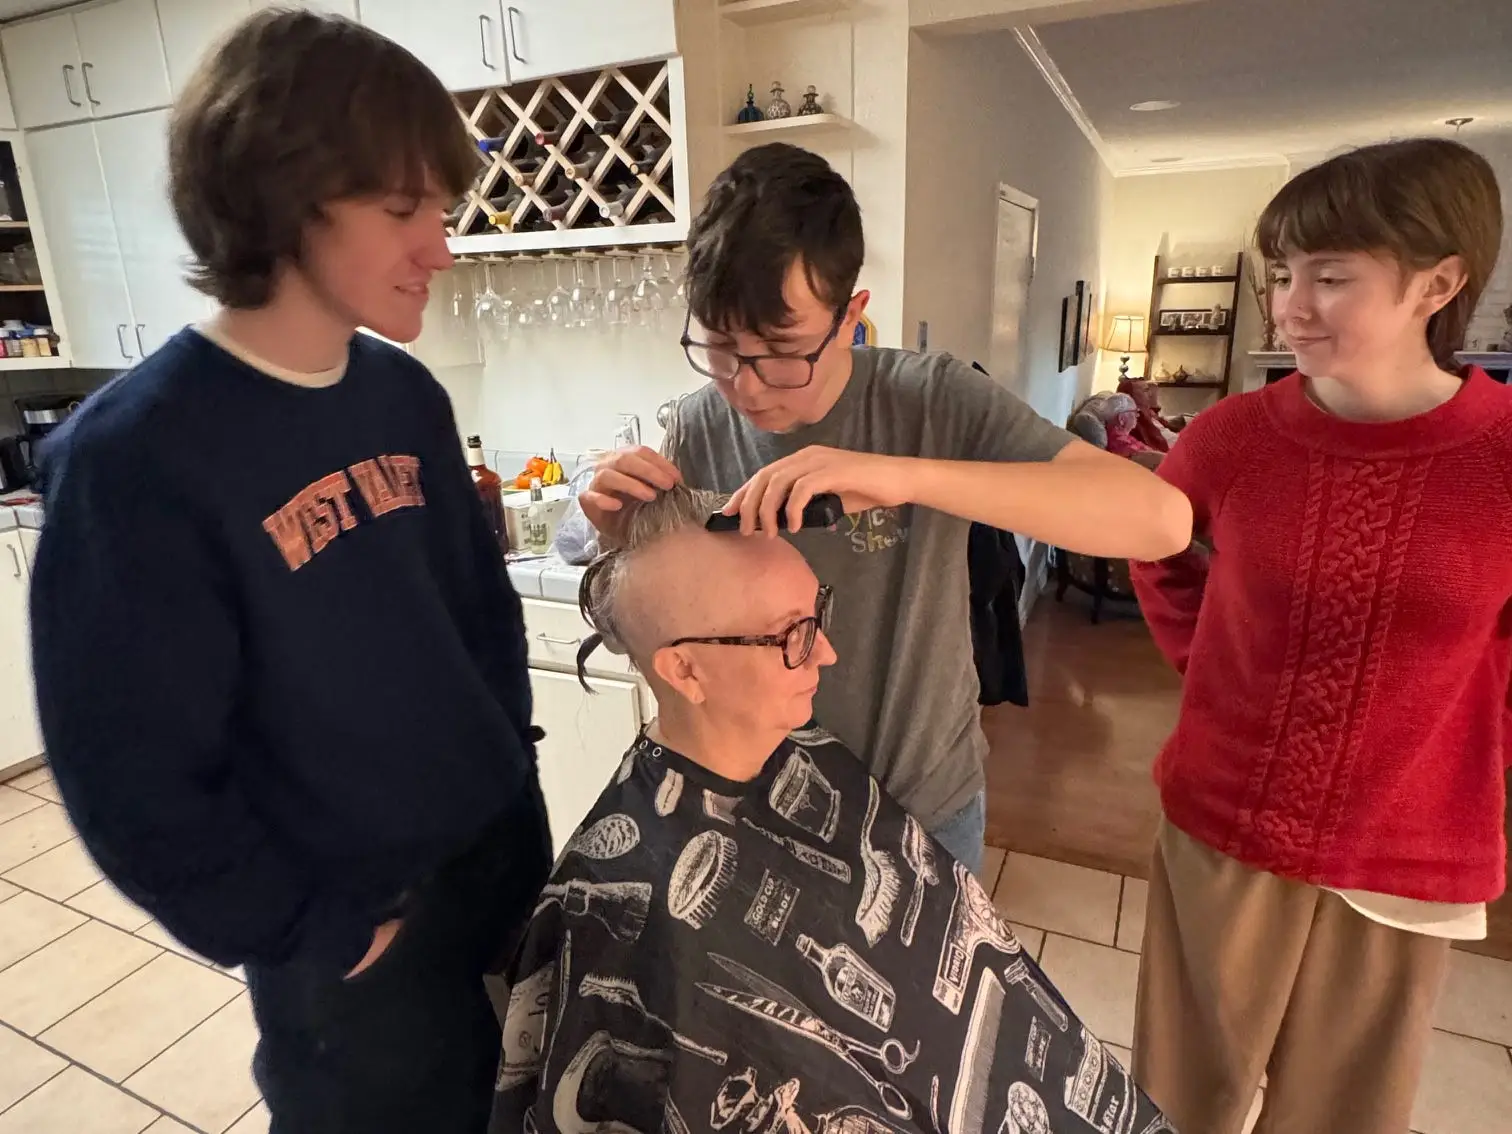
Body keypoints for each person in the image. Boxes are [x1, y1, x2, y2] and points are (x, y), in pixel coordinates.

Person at [28, 11, 549, 1133]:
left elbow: (479, 616)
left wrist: (513, 773)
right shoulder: (135, 462)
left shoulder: (405, 397)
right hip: (355, 940)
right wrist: (317, 933)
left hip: (500, 868)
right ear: (280, 190)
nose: (442, 247)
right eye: (404, 209)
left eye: (441, 210)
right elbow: (135, 787)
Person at [578, 143, 1193, 875]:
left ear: (851, 316)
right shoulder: (695, 425)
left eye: (781, 350)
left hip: (921, 807)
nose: (746, 386)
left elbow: (1161, 521)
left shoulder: (930, 400)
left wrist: (906, 477)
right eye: (717, 348)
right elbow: (666, 629)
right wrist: (621, 546)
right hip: (761, 803)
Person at [487, 486, 1173, 1134]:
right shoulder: (637, 902)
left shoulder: (813, 753)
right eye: (791, 635)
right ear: (685, 671)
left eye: (819, 612)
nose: (828, 651)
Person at [1129, 137, 1510, 1134]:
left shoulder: (1504, 457)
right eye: (1283, 274)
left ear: (1440, 281)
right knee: (1179, 1101)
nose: (1291, 306)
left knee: (1344, 1112)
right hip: (1224, 821)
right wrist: (1207, 663)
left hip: (1405, 841)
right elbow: (1153, 547)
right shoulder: (1231, 438)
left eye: (1332, 277)